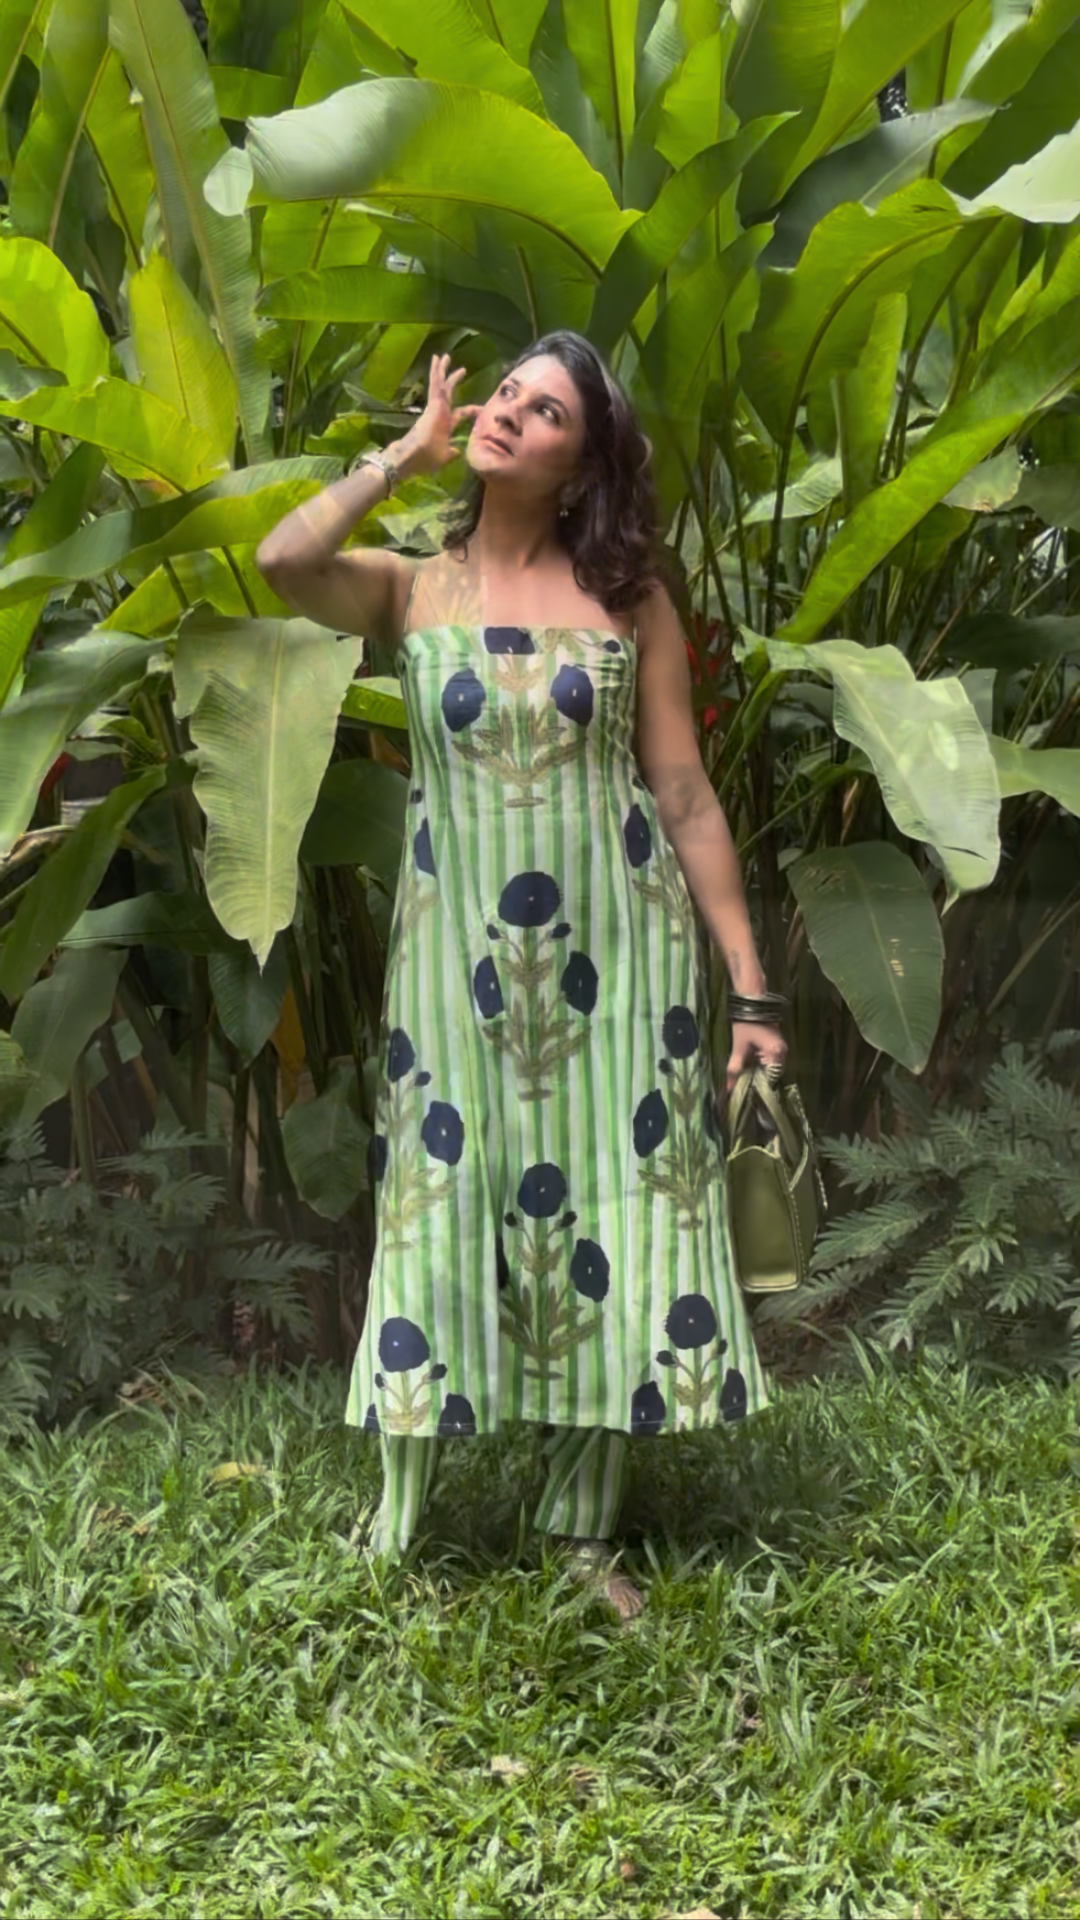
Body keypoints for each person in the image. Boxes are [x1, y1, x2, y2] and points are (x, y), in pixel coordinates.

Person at [256, 333, 787, 1624]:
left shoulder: (630, 600)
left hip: (623, 960)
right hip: (453, 969)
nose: (506, 412)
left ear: (583, 463)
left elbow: (682, 793)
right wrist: (401, 457)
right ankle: (398, 1519)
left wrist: (751, 990)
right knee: (435, 1205)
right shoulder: (411, 588)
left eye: (544, 410)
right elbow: (282, 560)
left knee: (615, 1209)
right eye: (504, 393)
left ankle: (579, 1530)